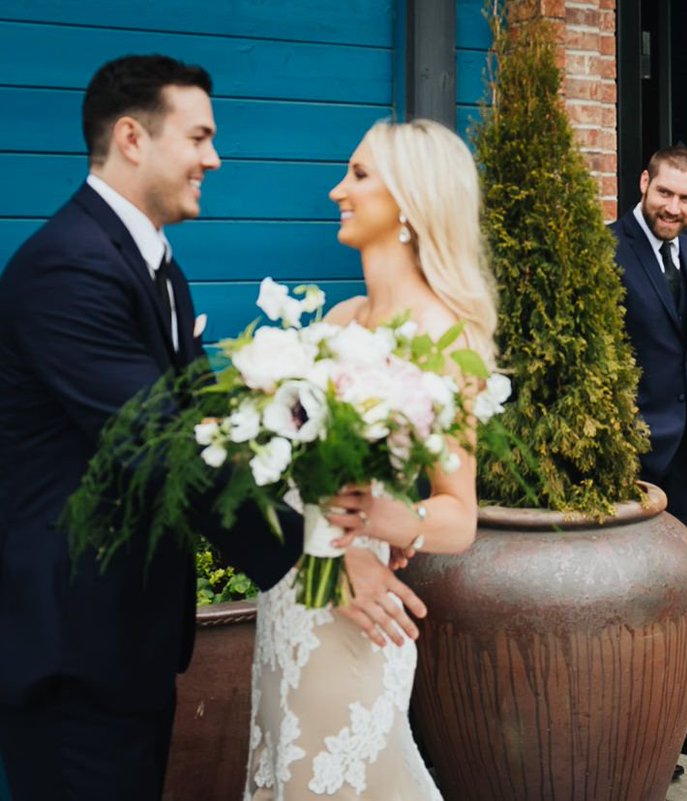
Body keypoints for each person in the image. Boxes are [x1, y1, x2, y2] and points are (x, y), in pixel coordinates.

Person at [0, 55, 416, 801]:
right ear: (132, 138)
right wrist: (318, 560)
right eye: (198, 137)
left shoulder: (159, 268)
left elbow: (208, 425)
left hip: (129, 636)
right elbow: (162, 446)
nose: (214, 158)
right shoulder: (68, 268)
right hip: (70, 639)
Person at [242, 118, 493, 799]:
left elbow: (457, 515)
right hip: (293, 593)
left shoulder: (444, 338)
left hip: (353, 616)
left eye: (357, 175)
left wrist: (388, 519)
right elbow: (281, 459)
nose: (335, 191)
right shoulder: (339, 320)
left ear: (411, 200)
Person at [609, 145, 687, 763]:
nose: (675, 208)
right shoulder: (607, 250)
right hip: (632, 455)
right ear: (644, 184)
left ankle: (675, 721)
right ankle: (630, 732)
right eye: (666, 194)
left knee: (682, 595)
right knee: (630, 598)